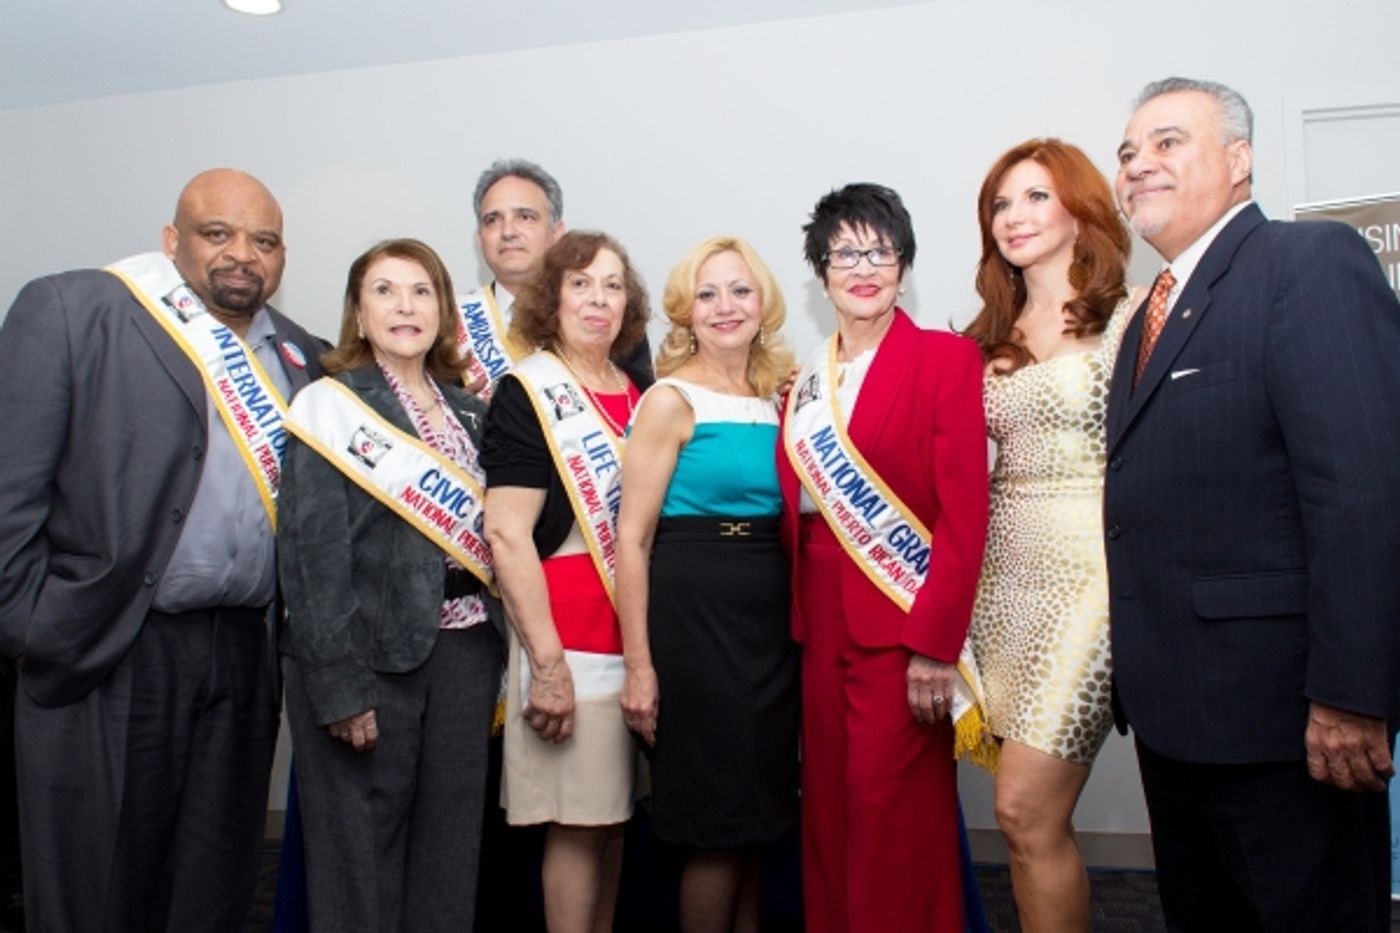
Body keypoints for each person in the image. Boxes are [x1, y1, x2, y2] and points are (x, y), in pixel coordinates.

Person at [1106, 76, 1400, 930]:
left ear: (1240, 161)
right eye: (1128, 152)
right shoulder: (1149, 313)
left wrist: (1353, 693)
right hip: (1175, 718)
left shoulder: (1308, 264)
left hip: (1286, 726)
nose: (1138, 166)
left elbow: (1362, 492)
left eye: (1167, 142)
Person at [0, 168, 323, 932]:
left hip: (244, 653)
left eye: (265, 241)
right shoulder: (76, 309)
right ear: (172, 241)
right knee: (97, 889)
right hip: (110, 644)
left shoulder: (302, 353)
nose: (243, 254)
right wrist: (36, 629)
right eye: (218, 233)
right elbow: (10, 492)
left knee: (211, 884)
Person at [779, 183, 989, 933]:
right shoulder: (804, 382)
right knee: (829, 812)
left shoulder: (946, 358)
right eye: (845, 253)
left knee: (893, 816)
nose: (863, 267)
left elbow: (966, 517)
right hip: (819, 623)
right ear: (821, 269)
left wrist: (934, 645)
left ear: (903, 265)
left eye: (880, 251)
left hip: (902, 626)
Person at [277, 238, 503, 932]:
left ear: (443, 309)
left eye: (422, 290)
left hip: (465, 654)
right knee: (359, 859)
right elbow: (311, 557)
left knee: (450, 849)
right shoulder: (331, 404)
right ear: (357, 310)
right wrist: (338, 684)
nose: (405, 305)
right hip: (369, 659)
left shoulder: (469, 409)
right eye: (384, 290)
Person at [961, 139, 1136, 932]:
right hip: (1002, 578)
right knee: (1025, 825)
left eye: (1035, 197)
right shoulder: (982, 333)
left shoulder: (1132, 314)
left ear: (1079, 208)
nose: (1015, 217)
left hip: (1093, 574)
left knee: (1024, 805)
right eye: (1001, 203)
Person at [616, 236, 799, 932]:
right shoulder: (670, 400)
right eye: (708, 293)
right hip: (695, 619)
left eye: (740, 290)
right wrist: (640, 666)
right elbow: (631, 540)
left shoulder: (780, 396)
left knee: (757, 823)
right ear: (685, 311)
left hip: (770, 620)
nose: (727, 306)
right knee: (717, 825)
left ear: (764, 303)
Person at [481, 230, 652, 933]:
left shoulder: (636, 392)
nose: (598, 298)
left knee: (610, 823)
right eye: (581, 283)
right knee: (578, 827)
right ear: (551, 298)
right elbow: (506, 533)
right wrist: (546, 664)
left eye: (612, 284)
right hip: (570, 641)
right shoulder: (530, 391)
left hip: (629, 635)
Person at [459, 158, 651, 397]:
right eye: (493, 220)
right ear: (480, 239)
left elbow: (642, 411)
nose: (508, 232)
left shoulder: (608, 318)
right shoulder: (449, 323)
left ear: (556, 233)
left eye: (525, 217)